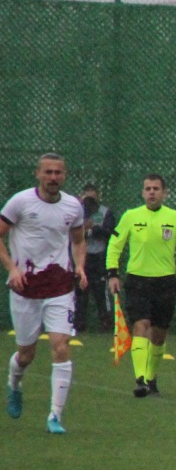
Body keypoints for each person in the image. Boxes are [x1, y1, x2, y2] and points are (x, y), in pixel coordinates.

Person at [1, 153, 87, 434]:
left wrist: (81, 266)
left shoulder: (73, 206)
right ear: (38, 174)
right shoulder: (20, 202)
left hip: (60, 287)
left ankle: (55, 416)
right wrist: (12, 268)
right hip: (26, 288)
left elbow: (78, 240)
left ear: (65, 175)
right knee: (26, 354)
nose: (53, 177)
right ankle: (14, 383)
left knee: (61, 345)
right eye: (48, 172)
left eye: (58, 173)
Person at [106, 174, 176, 398]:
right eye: (147, 188)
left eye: (156, 188)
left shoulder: (174, 218)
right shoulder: (131, 216)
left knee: (159, 335)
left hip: (165, 282)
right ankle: (140, 380)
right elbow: (115, 244)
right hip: (138, 280)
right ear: (142, 192)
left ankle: (151, 377)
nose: (151, 192)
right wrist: (113, 273)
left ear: (164, 193)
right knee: (141, 325)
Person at [80, 183, 118, 332]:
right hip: (82, 256)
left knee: (101, 290)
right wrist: (85, 231)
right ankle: (79, 323)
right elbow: (71, 232)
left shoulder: (104, 212)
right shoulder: (77, 211)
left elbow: (109, 231)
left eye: (93, 195)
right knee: (80, 290)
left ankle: (105, 322)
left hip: (99, 256)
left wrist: (92, 230)